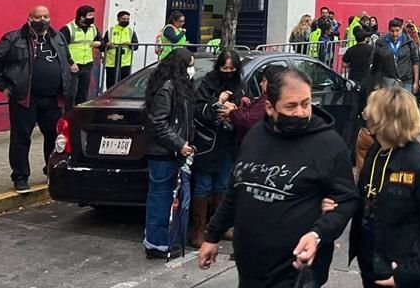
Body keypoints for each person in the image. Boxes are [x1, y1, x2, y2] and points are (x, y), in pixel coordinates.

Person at [199, 68, 359, 288]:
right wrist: (212, 235)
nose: (301, 112)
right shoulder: (255, 136)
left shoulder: (329, 145)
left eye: (306, 103)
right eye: (291, 106)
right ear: (270, 108)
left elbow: (347, 199)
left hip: (296, 270)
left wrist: (318, 234)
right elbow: (236, 190)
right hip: (250, 268)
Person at [350, 86, 420, 288]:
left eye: (371, 113)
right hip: (372, 263)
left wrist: (409, 270)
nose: (366, 116)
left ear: (384, 121)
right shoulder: (375, 151)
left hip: (402, 270)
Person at [0, 6, 74, 193]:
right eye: (38, 17)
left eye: (46, 16)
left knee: (55, 137)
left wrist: (71, 70)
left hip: (54, 99)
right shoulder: (14, 39)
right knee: (21, 139)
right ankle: (20, 177)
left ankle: (52, 171)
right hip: (24, 98)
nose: (43, 20)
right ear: (29, 19)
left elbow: (67, 59)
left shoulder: (57, 37)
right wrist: (3, 86)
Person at [143, 48, 195, 259]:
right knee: (160, 198)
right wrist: (179, 144)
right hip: (163, 152)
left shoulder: (178, 87)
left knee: (165, 197)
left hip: (172, 150)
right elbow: (159, 123)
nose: (193, 69)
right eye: (190, 64)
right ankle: (157, 243)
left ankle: (164, 241)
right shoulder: (167, 89)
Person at [190, 49, 243, 248]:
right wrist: (217, 104)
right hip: (207, 142)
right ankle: (199, 229)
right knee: (203, 184)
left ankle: (220, 226)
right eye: (224, 68)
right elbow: (198, 109)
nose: (228, 71)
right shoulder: (208, 83)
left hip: (228, 141)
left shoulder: (239, 84)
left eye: (231, 68)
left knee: (223, 184)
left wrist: (234, 112)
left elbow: (245, 106)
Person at [60, 4, 101, 106]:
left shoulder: (93, 28)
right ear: (82, 17)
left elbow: (101, 40)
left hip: (87, 65)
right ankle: (67, 116)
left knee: (83, 94)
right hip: (73, 67)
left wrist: (100, 44)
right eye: (90, 15)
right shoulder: (68, 29)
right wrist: (70, 63)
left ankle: (79, 116)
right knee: (70, 94)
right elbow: (61, 47)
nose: (92, 18)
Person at [376, 18, 420, 94]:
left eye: (397, 31)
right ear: (388, 30)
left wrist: (416, 82)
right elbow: (375, 61)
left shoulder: (409, 42)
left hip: (406, 80)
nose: (395, 34)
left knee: (405, 104)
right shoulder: (381, 42)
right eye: (392, 31)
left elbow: (415, 62)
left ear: (401, 29)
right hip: (387, 80)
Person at [99, 10, 139, 91]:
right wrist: (108, 45)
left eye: (128, 19)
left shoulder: (130, 31)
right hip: (112, 63)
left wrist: (130, 44)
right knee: (111, 86)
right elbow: (102, 46)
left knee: (124, 87)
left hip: (125, 63)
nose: (126, 21)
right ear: (118, 19)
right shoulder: (111, 31)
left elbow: (136, 46)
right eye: (124, 19)